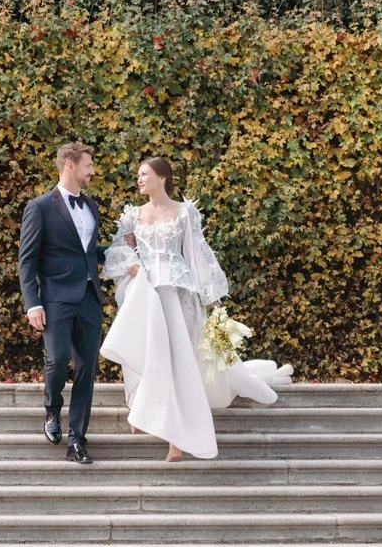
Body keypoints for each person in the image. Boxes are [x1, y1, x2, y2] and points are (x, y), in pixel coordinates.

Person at [99, 155, 292, 461]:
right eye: (138, 175)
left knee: (177, 363)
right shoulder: (132, 216)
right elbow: (119, 252)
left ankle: (178, 439)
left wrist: (212, 299)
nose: (139, 179)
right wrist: (132, 263)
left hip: (179, 293)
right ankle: (146, 412)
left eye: (144, 174)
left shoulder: (184, 213)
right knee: (153, 357)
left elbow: (197, 255)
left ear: (162, 177)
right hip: (147, 293)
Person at [17, 140, 106, 464]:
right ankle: (52, 410)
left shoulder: (92, 207)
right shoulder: (39, 207)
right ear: (70, 165)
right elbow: (27, 261)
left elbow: (88, 253)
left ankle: (77, 440)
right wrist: (33, 303)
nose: (92, 172)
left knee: (86, 370)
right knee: (55, 361)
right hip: (55, 299)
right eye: (88, 166)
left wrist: (121, 252)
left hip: (89, 299)